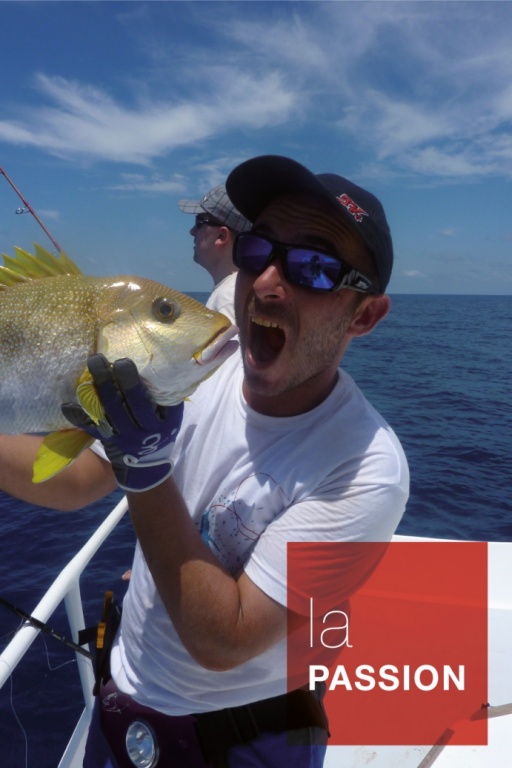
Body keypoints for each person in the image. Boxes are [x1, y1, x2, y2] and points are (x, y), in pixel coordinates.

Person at [0, 155, 409, 768]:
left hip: (236, 745)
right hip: (123, 707)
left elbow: (225, 640)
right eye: (256, 250)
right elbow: (80, 480)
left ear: (366, 315)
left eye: (316, 267)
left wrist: (147, 469)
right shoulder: (196, 372)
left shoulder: (363, 469)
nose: (269, 280)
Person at [178, 184, 251, 323]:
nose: (192, 231)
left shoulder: (228, 299)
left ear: (221, 236)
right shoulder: (234, 292)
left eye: (199, 222)